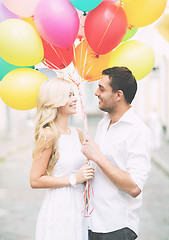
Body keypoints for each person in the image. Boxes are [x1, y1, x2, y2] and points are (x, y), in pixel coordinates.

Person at [82, 67, 154, 240]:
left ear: (118, 95)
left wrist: (98, 157)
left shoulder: (138, 132)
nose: (96, 93)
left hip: (116, 227)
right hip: (93, 222)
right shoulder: (103, 123)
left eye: (102, 88)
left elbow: (134, 187)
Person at [30, 77, 94, 240]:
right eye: (69, 95)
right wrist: (74, 179)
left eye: (73, 94)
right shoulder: (48, 135)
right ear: (55, 100)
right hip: (60, 207)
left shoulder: (78, 133)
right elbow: (35, 180)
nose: (75, 99)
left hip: (81, 206)